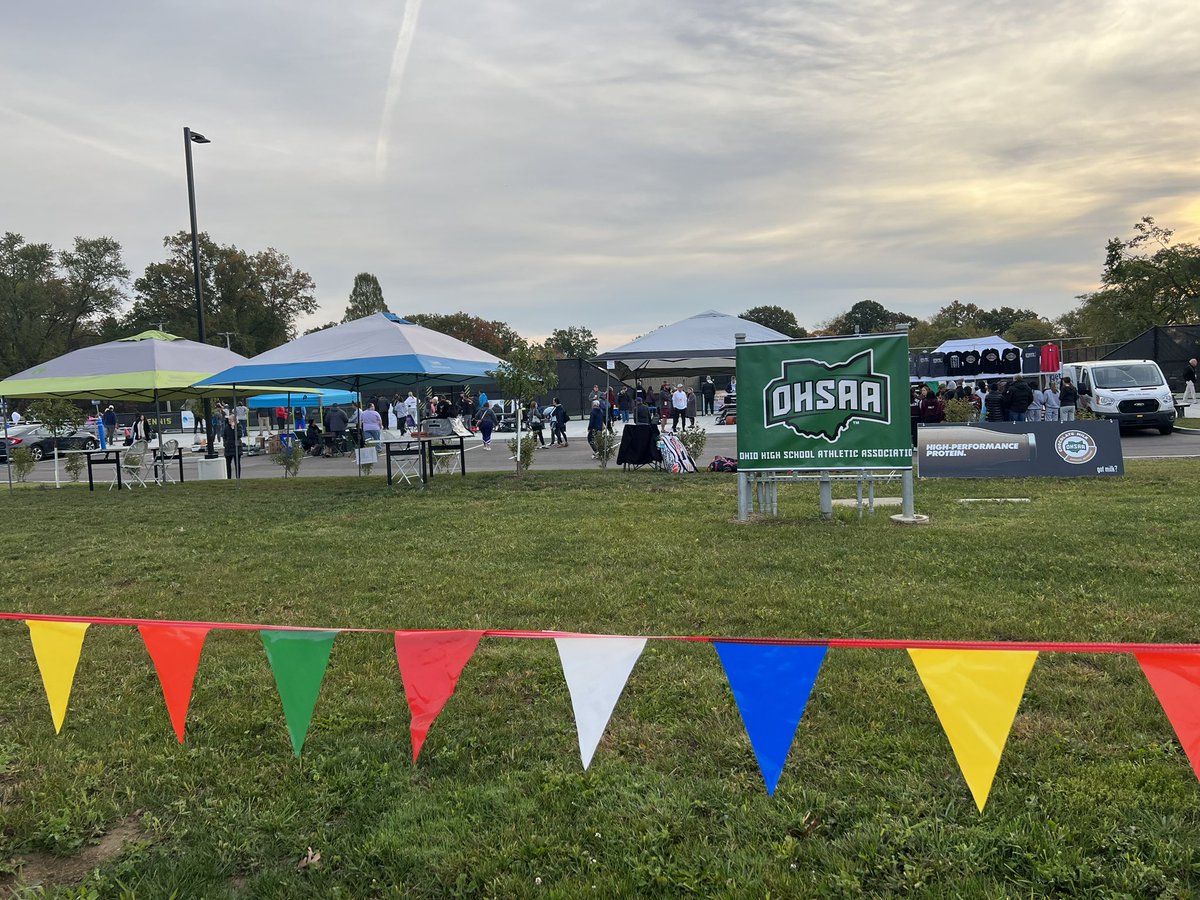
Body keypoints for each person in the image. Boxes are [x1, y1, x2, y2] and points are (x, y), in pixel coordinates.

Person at [222, 414, 242, 478]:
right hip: (228, 448)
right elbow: (224, 436)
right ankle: (229, 477)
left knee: (237, 464)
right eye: (229, 420)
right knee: (228, 464)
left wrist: (233, 428)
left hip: (236, 447)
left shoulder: (238, 426)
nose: (229, 421)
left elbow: (239, 435)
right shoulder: (226, 427)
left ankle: (238, 477)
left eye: (231, 420)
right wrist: (225, 443)